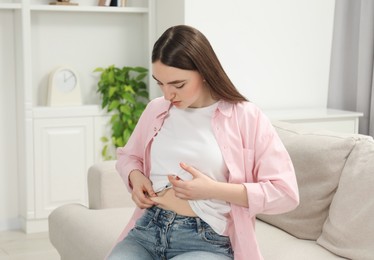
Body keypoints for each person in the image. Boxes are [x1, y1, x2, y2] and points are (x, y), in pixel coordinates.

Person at [106, 25, 299, 260]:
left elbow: (285, 193)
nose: (168, 95)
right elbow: (129, 157)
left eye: (178, 85)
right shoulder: (156, 110)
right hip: (148, 229)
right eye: (160, 83)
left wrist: (213, 190)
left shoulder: (246, 116)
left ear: (204, 72)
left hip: (205, 241)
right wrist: (136, 178)